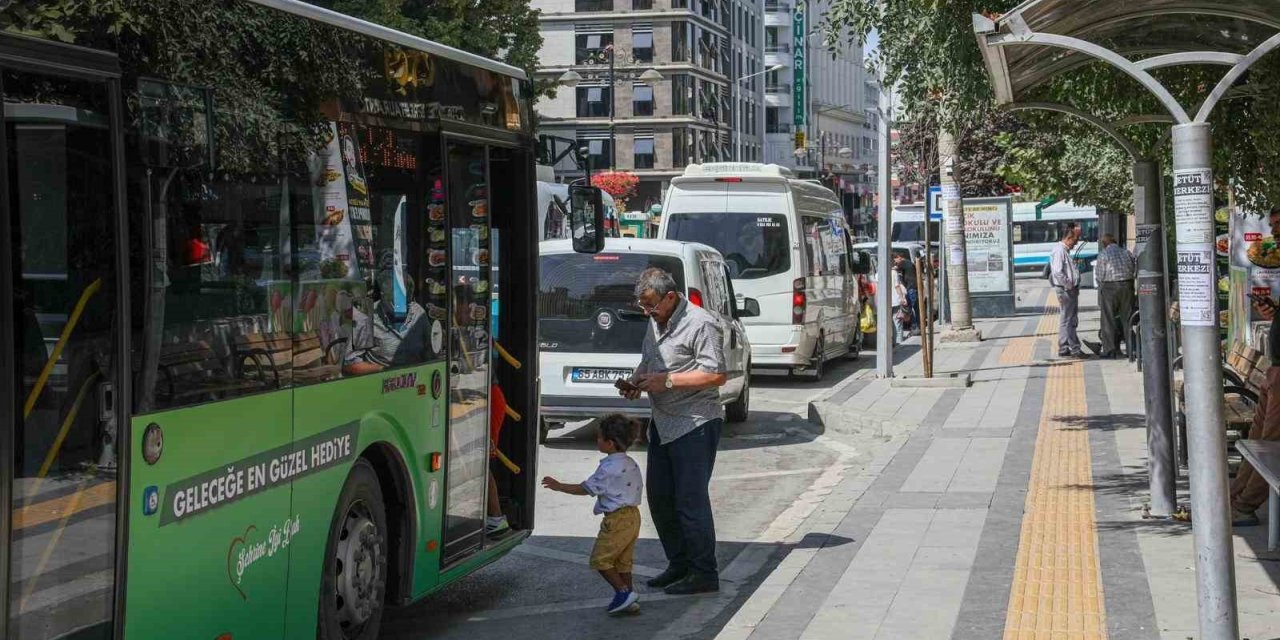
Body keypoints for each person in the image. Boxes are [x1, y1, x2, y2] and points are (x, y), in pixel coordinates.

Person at [620, 267, 727, 595]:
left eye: (651, 305)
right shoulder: (655, 321)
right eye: (643, 306)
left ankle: (704, 572)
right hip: (663, 424)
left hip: (695, 421)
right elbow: (649, 360)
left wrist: (667, 381)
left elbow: (716, 374)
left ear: (670, 296)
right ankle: (679, 563)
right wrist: (637, 380)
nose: (647, 312)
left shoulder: (700, 323)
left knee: (690, 501)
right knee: (661, 498)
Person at [542, 415, 644, 614]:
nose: (597, 441)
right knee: (623, 562)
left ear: (610, 443)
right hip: (633, 516)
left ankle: (623, 592)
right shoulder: (630, 462)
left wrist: (559, 486)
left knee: (601, 560)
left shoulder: (608, 468)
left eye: (599, 438)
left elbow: (587, 489)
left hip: (616, 519)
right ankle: (629, 597)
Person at [1232, 209, 1280, 526]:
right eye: (1273, 227)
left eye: (1279, 226)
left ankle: (1245, 504)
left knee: (1271, 444)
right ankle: (1235, 498)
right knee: (1257, 439)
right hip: (1274, 369)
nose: (1274, 233)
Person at [1087, 234, 1136, 358]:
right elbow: (1133, 269)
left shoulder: (1104, 254)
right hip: (1127, 286)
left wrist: (1102, 287)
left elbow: (1099, 275)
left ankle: (1110, 350)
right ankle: (1133, 349)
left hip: (1110, 288)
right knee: (1128, 318)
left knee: (1108, 319)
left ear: (1104, 243)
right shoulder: (1126, 252)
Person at [1049, 226, 1087, 358]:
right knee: (1070, 319)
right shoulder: (1060, 251)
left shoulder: (1062, 250)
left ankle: (1064, 347)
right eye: (1075, 240)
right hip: (1066, 290)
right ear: (1068, 238)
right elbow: (1058, 272)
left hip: (1066, 289)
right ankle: (1074, 348)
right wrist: (1069, 284)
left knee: (1067, 318)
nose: (1075, 244)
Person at [891, 254, 910, 343]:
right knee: (897, 323)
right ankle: (899, 343)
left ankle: (892, 342)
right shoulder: (894, 273)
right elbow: (897, 286)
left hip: (885, 303)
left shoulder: (879, 273)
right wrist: (902, 298)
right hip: (895, 301)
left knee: (890, 324)